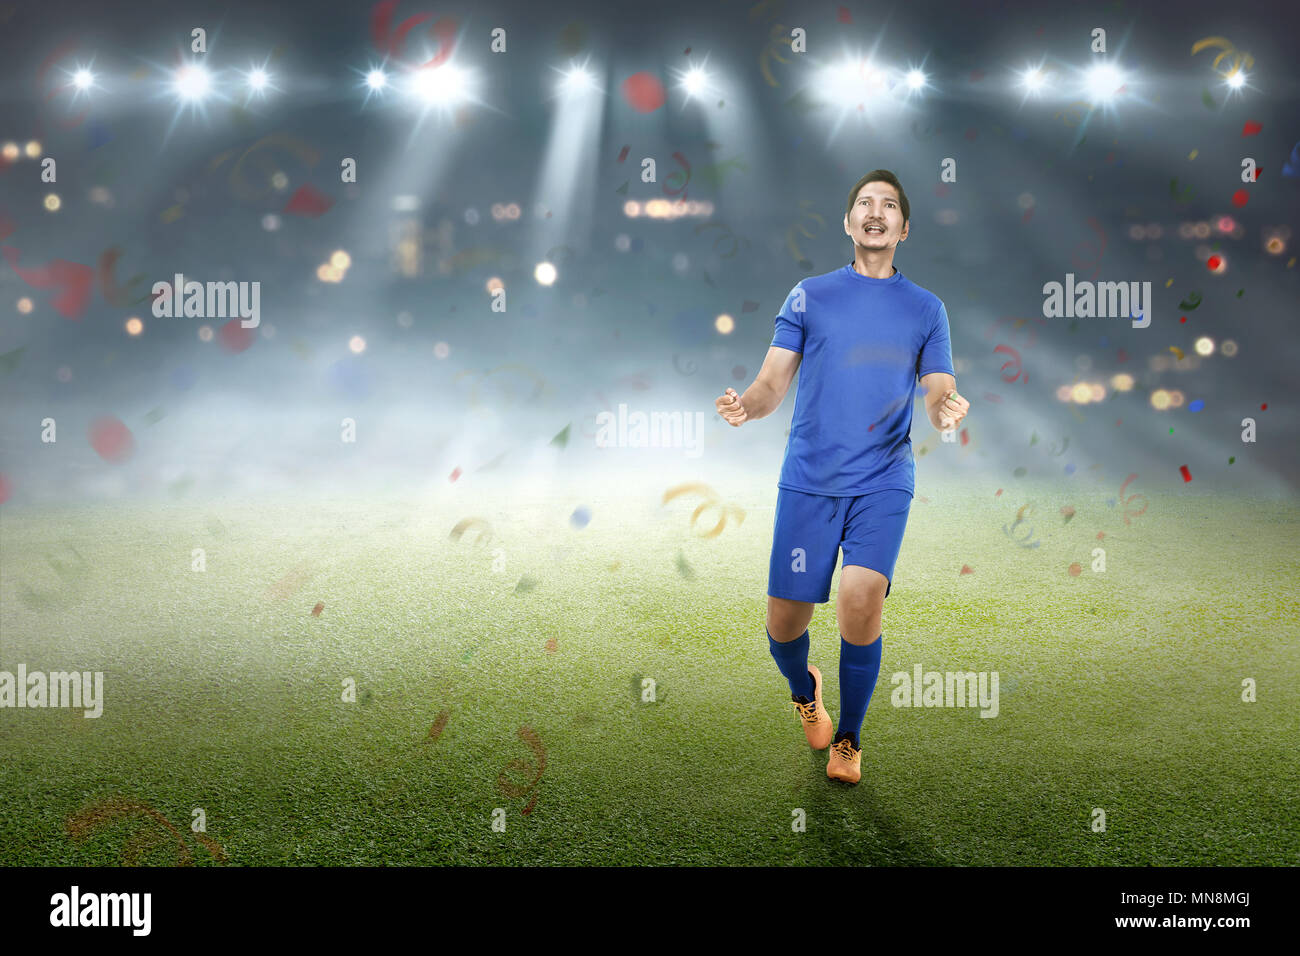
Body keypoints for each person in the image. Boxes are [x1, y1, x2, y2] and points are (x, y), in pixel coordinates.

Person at [715, 169, 970, 784]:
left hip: (883, 479)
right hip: (809, 479)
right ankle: (806, 690)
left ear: (903, 228)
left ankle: (849, 738)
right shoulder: (808, 295)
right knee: (784, 627)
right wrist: (747, 405)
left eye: (888, 205)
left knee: (861, 599)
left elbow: (938, 389)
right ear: (848, 222)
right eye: (864, 203)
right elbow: (773, 381)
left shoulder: (926, 308)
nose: (875, 211)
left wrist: (947, 410)